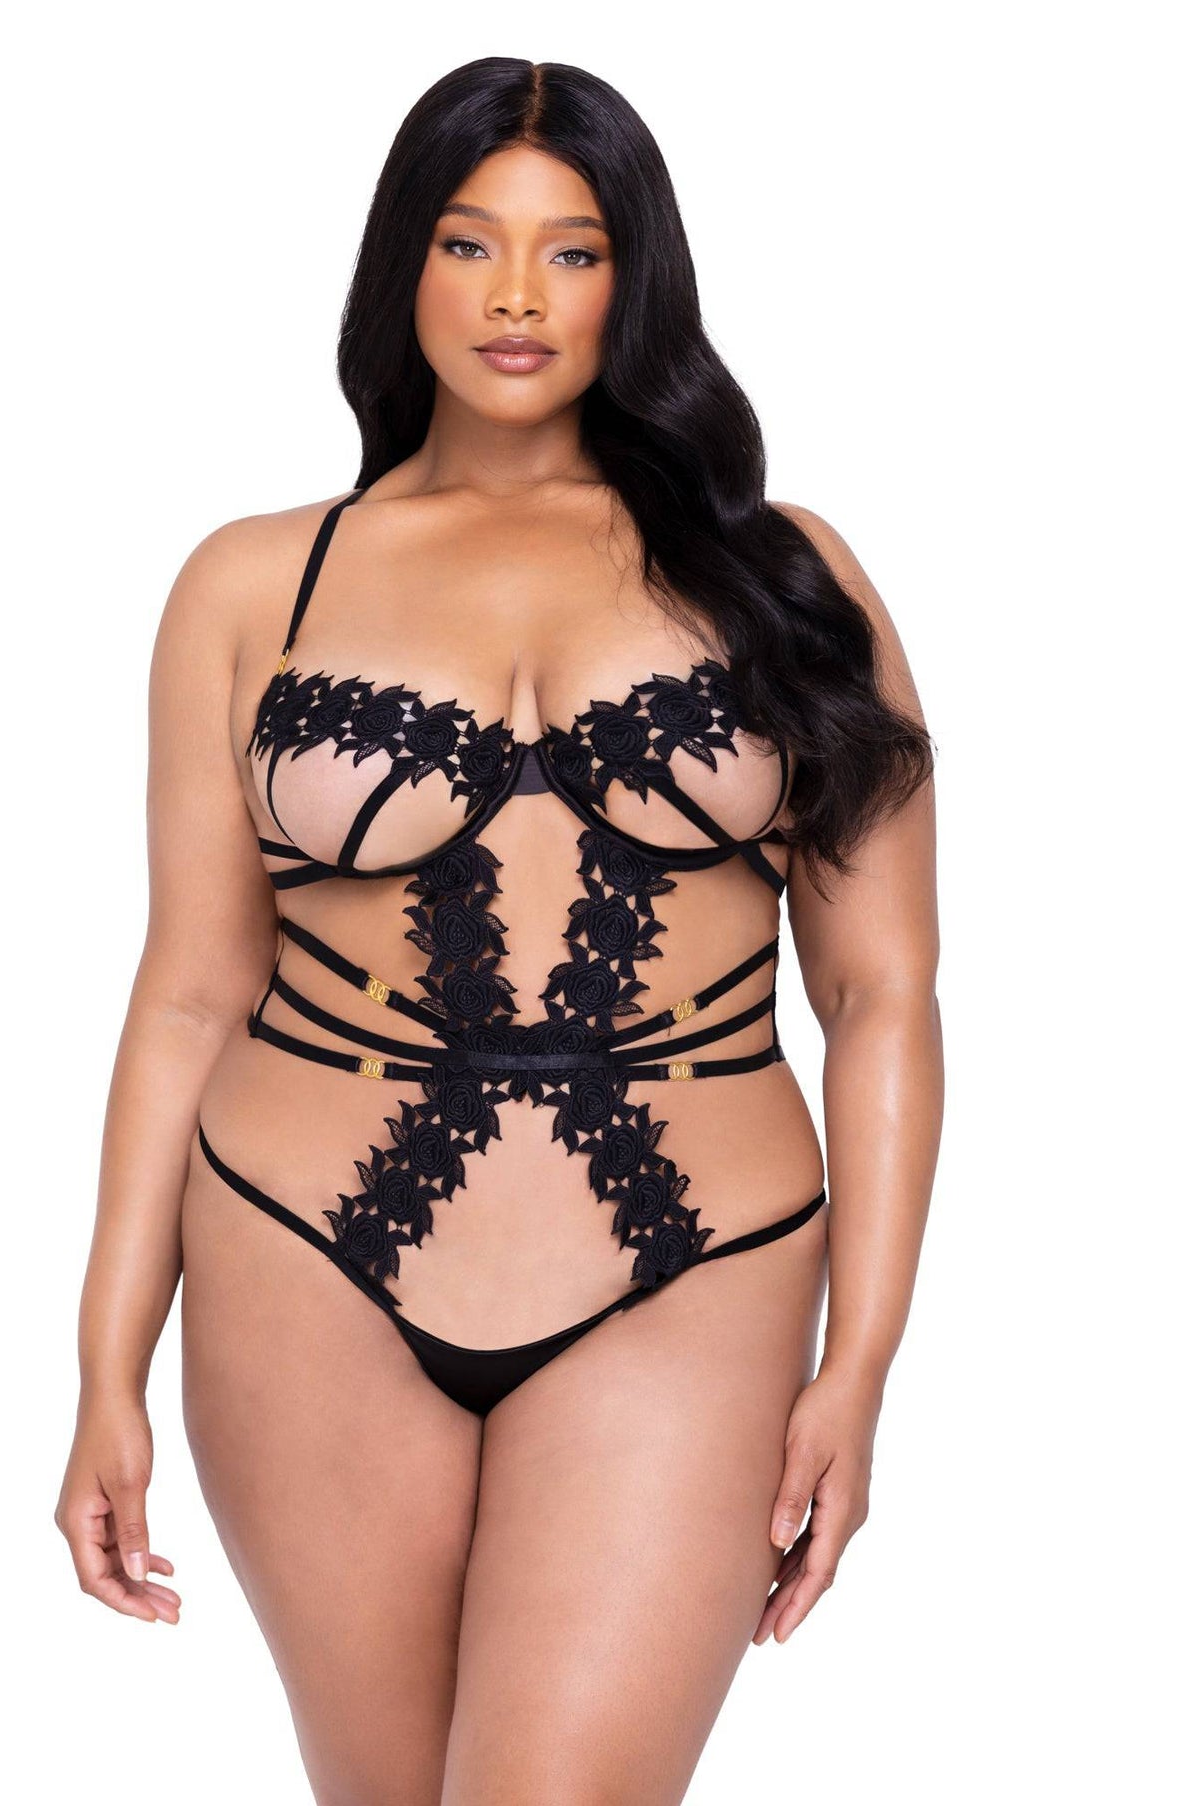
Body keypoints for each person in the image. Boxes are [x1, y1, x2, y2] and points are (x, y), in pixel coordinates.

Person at [55, 56, 942, 1805]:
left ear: (636, 278)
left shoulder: (784, 575)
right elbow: (189, 996)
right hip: (303, 1268)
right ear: (404, 266)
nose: (518, 295)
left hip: (688, 1276)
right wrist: (103, 1366)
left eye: (573, 250)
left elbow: (882, 990)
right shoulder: (253, 580)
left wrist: (862, 1364)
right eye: (469, 244)